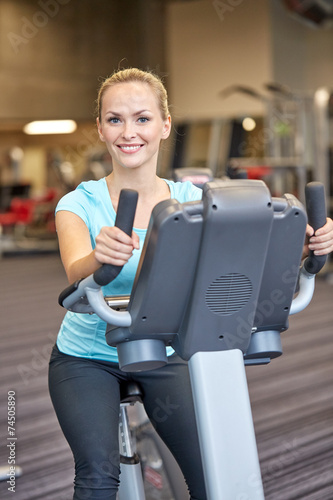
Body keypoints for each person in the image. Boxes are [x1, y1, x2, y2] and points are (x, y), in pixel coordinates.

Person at [49, 67, 333, 500]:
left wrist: (310, 243)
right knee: (98, 478)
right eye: (115, 119)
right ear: (101, 129)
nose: (129, 132)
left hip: (168, 350)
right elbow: (76, 271)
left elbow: (249, 254)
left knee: (213, 472)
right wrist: (100, 256)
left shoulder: (193, 201)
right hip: (88, 358)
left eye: (142, 118)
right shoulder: (79, 203)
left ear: (165, 125)